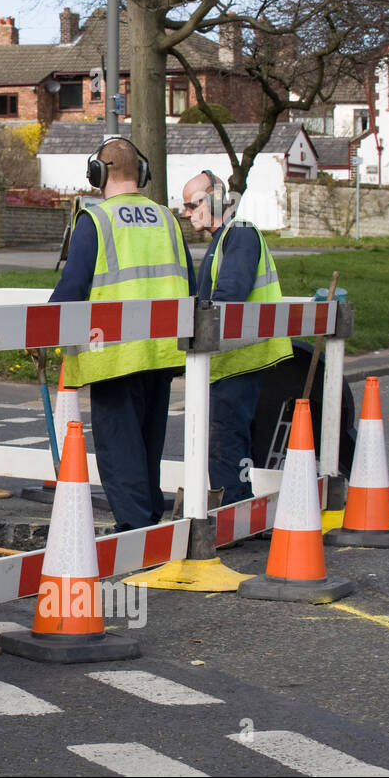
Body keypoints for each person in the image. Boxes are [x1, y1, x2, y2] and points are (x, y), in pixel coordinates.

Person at [50, 136, 196, 531]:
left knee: (119, 450)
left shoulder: (95, 220)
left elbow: (71, 289)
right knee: (148, 447)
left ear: (98, 174)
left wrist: (39, 332)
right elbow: (192, 288)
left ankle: (136, 534)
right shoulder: (167, 219)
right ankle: (149, 521)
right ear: (142, 172)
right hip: (163, 352)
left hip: (113, 355)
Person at [182, 170, 293, 503]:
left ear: (217, 197)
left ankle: (233, 511)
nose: (188, 213)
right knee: (226, 439)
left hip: (240, 359)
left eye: (193, 204)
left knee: (226, 440)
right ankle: (236, 509)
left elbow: (229, 296)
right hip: (230, 359)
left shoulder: (240, 234)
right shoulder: (226, 238)